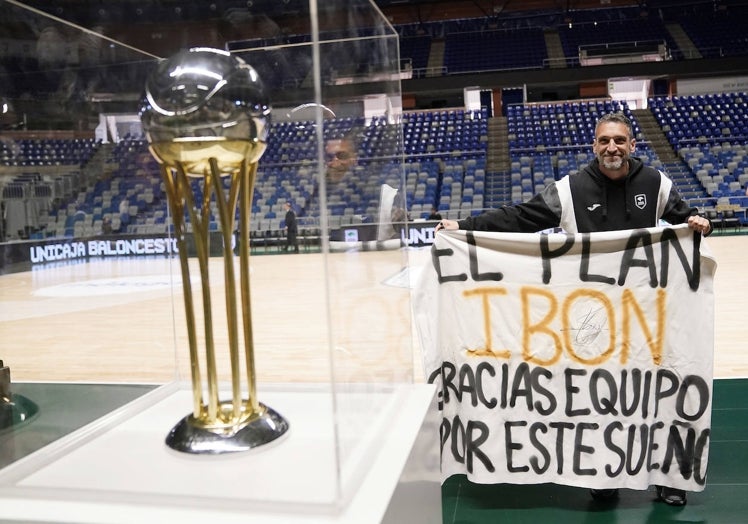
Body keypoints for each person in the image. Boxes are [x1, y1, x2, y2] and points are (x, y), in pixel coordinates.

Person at [436, 112, 712, 507]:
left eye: (619, 140)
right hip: (591, 320)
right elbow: (522, 217)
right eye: (604, 141)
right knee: (598, 397)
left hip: (647, 316)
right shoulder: (570, 189)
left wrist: (697, 222)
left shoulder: (656, 183)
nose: (612, 148)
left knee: (654, 394)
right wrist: (465, 226)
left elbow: (685, 218)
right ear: (594, 145)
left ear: (632, 145)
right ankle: (603, 471)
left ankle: (668, 478)